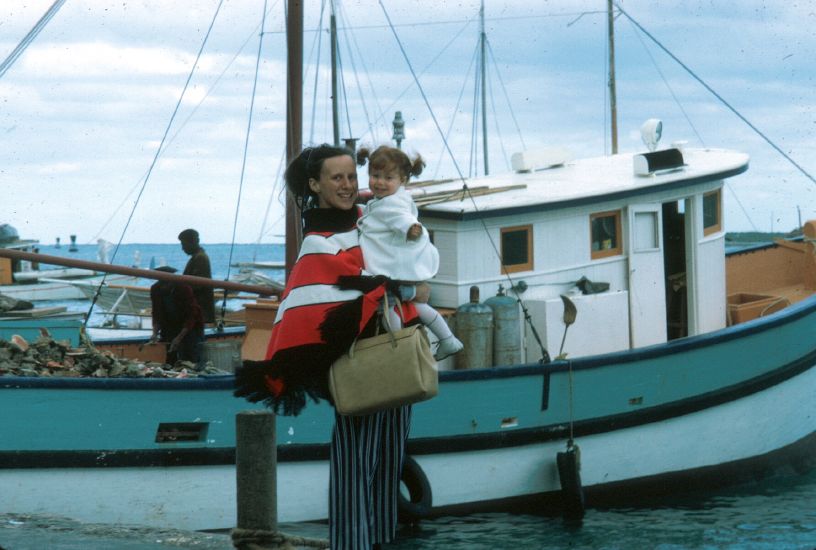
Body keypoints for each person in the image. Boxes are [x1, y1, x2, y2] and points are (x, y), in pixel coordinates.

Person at [234, 144, 418, 550]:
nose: (349, 185)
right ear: (314, 184)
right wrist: (384, 286)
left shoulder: (369, 221)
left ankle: (382, 541)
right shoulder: (319, 240)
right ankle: (351, 545)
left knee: (387, 460)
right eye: (337, 178)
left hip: (393, 355)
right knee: (357, 461)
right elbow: (319, 303)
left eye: (352, 177)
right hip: (355, 362)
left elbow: (404, 264)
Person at [357, 145, 463, 360]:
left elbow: (401, 218)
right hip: (400, 268)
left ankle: (400, 350)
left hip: (390, 269)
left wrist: (410, 228)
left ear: (402, 180)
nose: (380, 182)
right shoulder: (393, 198)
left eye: (388, 178)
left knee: (386, 307)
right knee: (416, 305)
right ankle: (448, 339)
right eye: (375, 176)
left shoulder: (391, 203)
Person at [149, 266, 205, 365]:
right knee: (170, 357)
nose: (164, 287)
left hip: (191, 327)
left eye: (166, 283)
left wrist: (179, 338)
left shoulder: (183, 288)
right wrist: (154, 333)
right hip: (169, 325)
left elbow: (192, 315)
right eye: (161, 283)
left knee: (191, 358)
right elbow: (156, 313)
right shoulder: (155, 289)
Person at [178, 228, 216, 324]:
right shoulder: (198, 257)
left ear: (192, 242)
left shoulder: (200, 258)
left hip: (199, 311)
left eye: (184, 245)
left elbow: (197, 285)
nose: (182, 249)